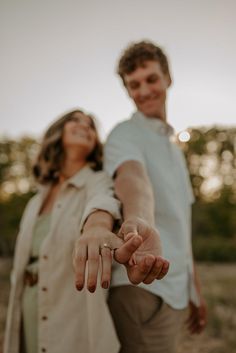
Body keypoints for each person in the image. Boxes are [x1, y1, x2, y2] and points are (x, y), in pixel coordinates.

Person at [4, 109, 168, 353]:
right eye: (75, 120)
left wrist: (96, 225)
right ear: (58, 131)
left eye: (91, 125)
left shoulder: (99, 180)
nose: (84, 126)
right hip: (28, 305)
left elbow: (103, 202)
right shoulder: (35, 201)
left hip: (72, 314)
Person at [103, 41, 208, 353]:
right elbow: (133, 179)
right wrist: (140, 221)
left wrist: (195, 291)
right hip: (141, 287)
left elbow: (181, 228)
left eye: (151, 79)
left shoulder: (176, 152)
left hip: (175, 289)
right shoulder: (125, 133)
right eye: (134, 85)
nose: (144, 90)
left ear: (168, 78)